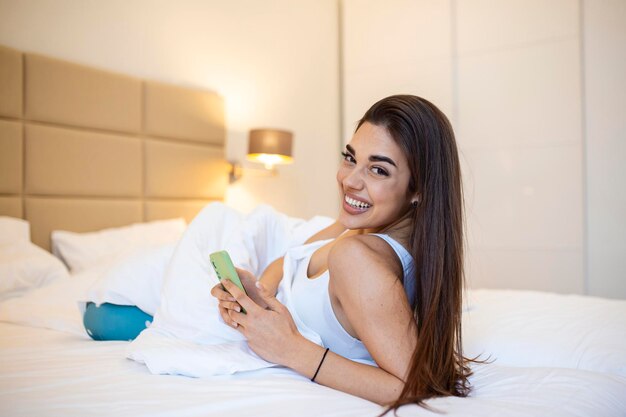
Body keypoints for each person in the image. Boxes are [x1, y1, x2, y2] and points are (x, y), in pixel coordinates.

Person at [211, 94, 472, 411]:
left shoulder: (359, 258)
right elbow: (286, 261)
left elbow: (410, 385)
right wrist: (259, 297)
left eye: (378, 170)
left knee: (212, 217)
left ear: (418, 189)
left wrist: (290, 348)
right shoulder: (360, 225)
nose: (349, 180)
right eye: (350, 158)